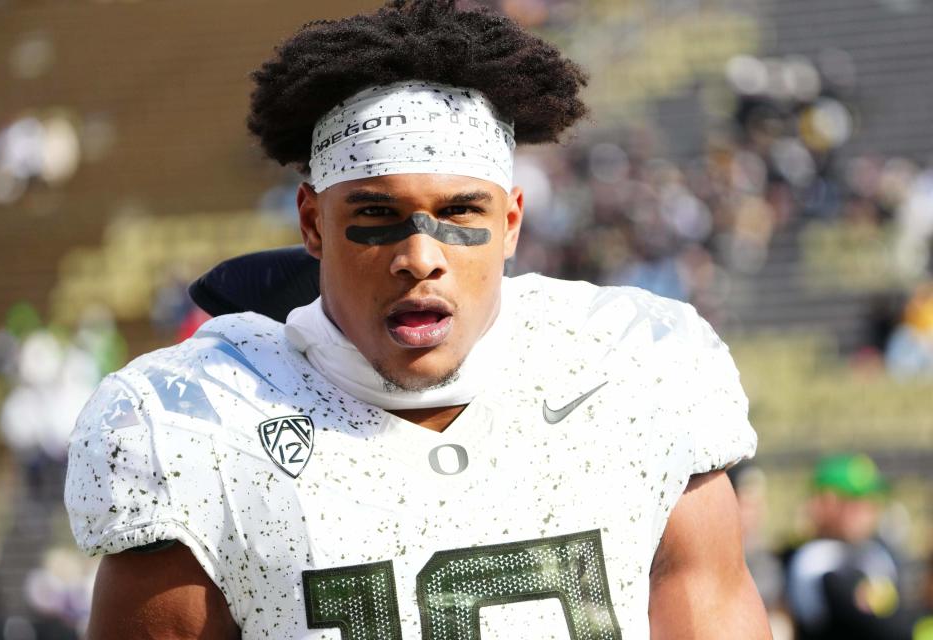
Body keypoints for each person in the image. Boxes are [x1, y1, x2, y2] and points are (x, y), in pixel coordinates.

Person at [64, 1, 770, 638]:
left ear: (512, 222)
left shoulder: (635, 369)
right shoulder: (196, 424)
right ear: (312, 222)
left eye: (463, 212)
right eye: (376, 214)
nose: (420, 257)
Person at [784, 453, 919, 640]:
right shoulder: (816, 560)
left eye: (873, 498)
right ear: (826, 503)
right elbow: (882, 626)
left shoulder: (877, 552)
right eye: (856, 500)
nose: (870, 509)